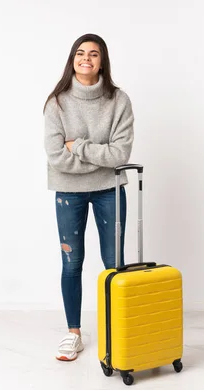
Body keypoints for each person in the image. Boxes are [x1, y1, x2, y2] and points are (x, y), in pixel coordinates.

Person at [43, 33, 135, 361]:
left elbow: (120, 153)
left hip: (110, 190)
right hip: (68, 192)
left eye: (93, 54)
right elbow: (56, 156)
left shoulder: (119, 101)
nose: (86, 59)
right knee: (72, 263)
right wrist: (97, 157)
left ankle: (116, 331)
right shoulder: (57, 102)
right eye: (80, 53)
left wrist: (78, 146)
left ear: (102, 61)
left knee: (114, 265)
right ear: (72, 60)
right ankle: (73, 334)